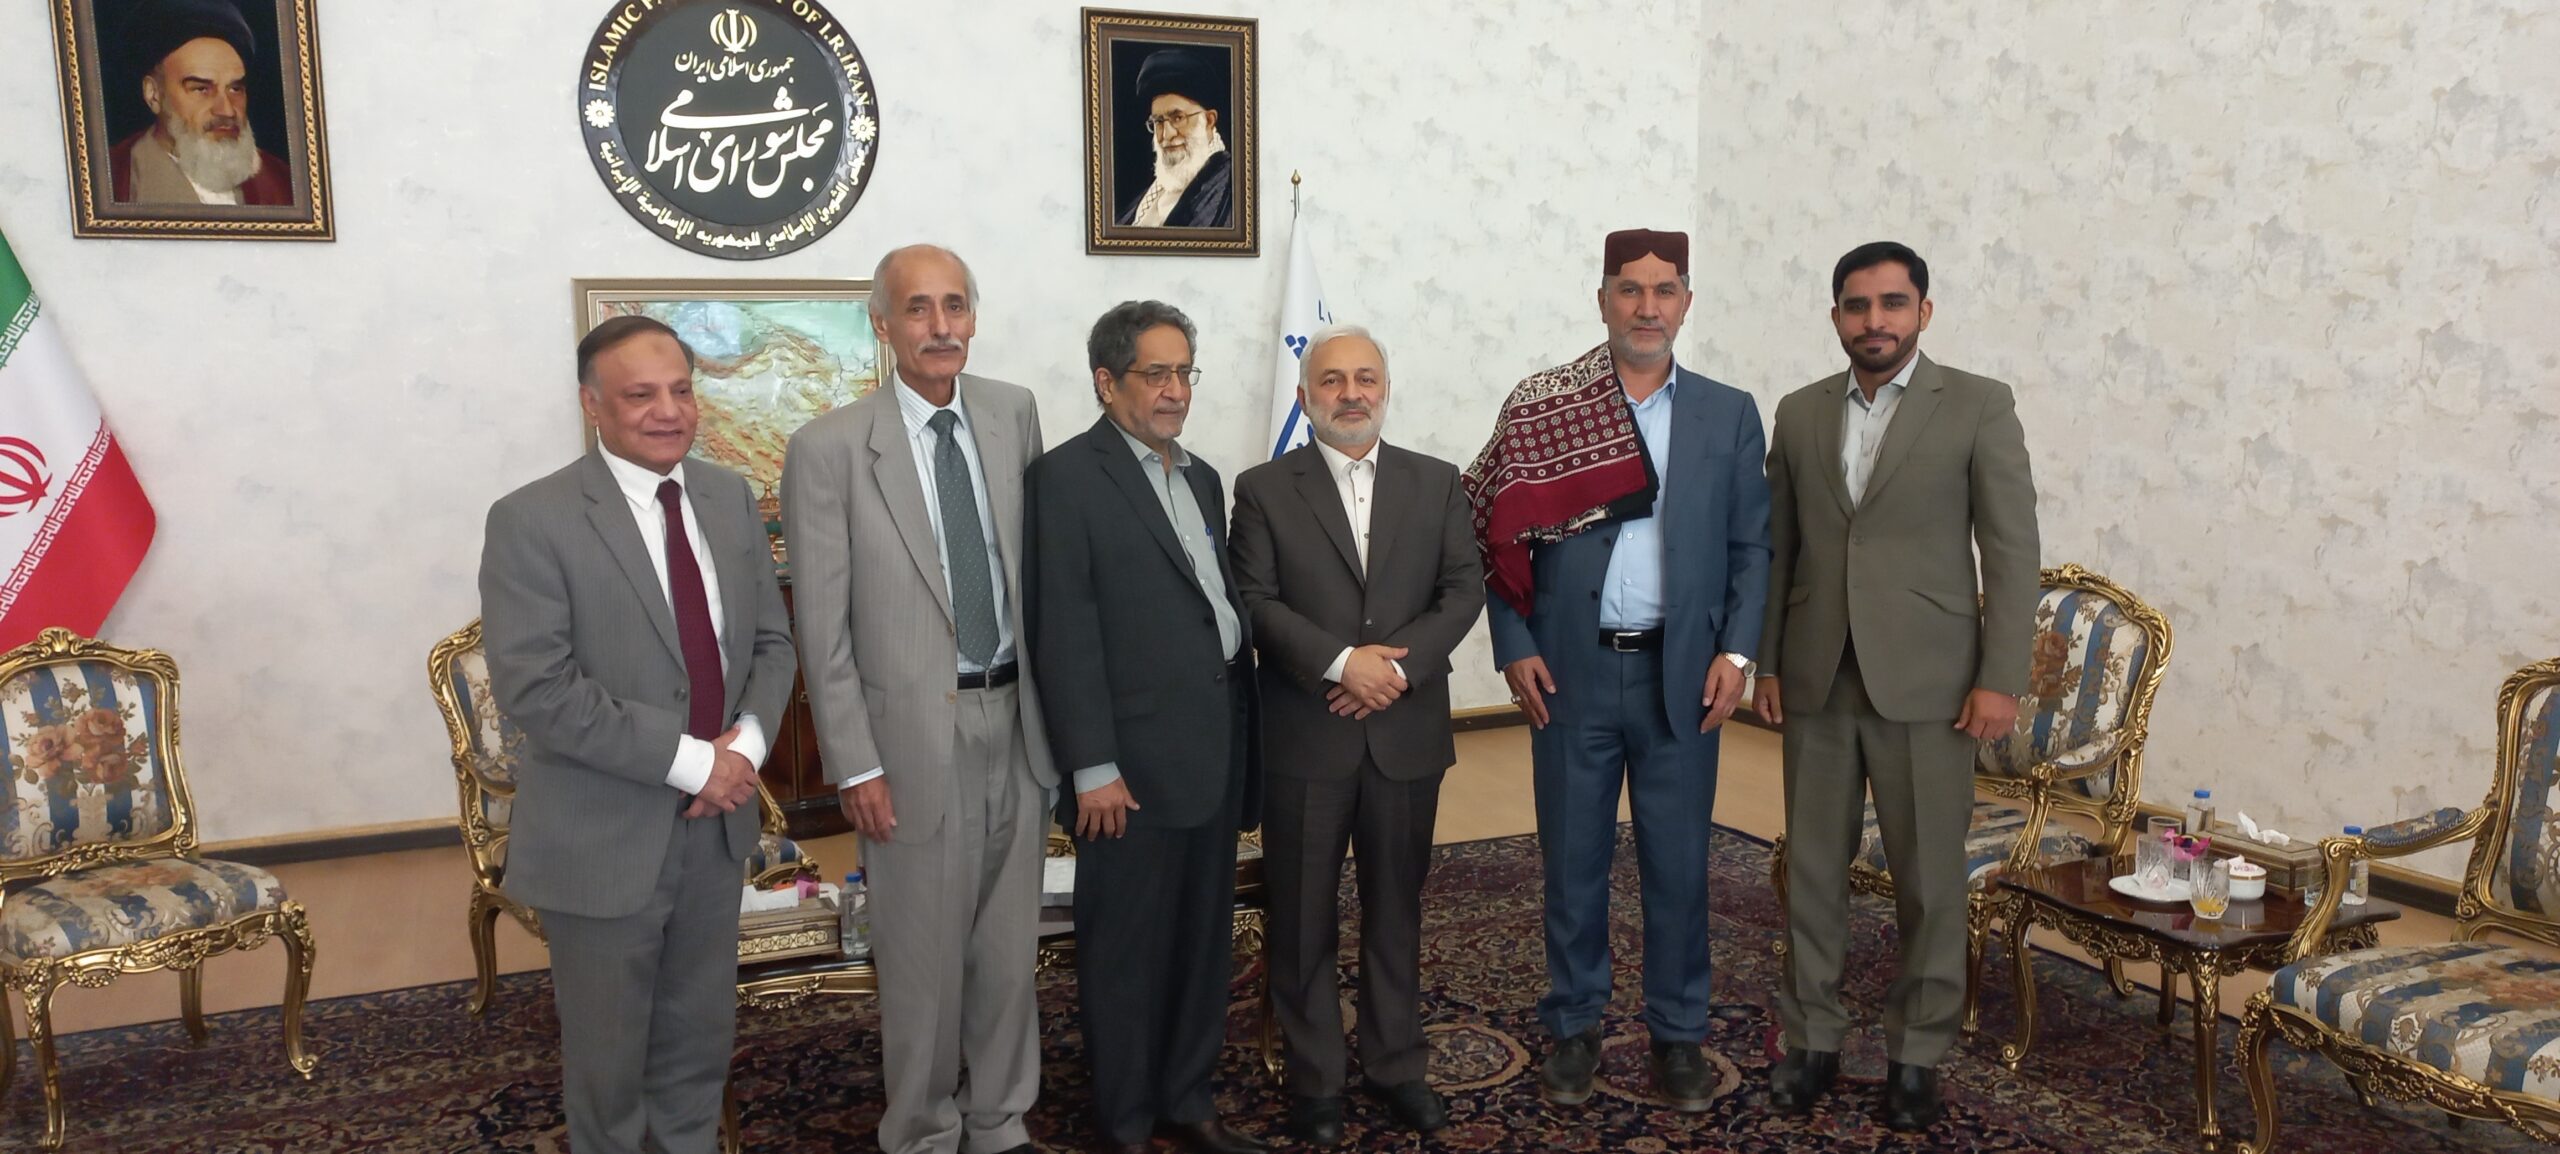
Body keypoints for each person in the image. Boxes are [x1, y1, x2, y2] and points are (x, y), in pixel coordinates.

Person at [1464, 229, 1771, 1112]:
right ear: (1602, 299)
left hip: (1685, 677)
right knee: (1573, 860)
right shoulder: (1545, 406)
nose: (1647, 307)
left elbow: (1753, 545)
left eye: (1664, 289)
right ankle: (1574, 1025)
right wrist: (1514, 642)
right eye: (1630, 290)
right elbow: (1497, 536)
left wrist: (1738, 653)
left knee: (1679, 866)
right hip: (1570, 672)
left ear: (1686, 300)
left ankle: (1678, 1034)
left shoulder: (1728, 412)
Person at [478, 315, 797, 1154]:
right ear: (592, 405)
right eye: (641, 395)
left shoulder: (729, 497)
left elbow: (770, 641)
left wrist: (746, 756)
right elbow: (538, 690)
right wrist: (699, 765)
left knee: (698, 1048)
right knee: (610, 1068)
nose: (669, 412)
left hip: (715, 833)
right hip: (602, 833)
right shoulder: (532, 519)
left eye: (682, 390)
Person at [1758, 241, 2040, 1131]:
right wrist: (1765, 659)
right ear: (1835, 314)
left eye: (1891, 303)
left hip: (1929, 680)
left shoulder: (1979, 405)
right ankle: (1813, 1038)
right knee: (1812, 870)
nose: (1873, 321)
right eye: (1856, 305)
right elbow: (1778, 551)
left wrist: (2001, 677)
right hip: (1817, 674)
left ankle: (1916, 1053)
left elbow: (2010, 550)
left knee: (1928, 881)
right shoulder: (1800, 413)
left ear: (1924, 310)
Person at [780, 244, 1051, 1154]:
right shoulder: (830, 449)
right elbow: (824, 629)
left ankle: (1001, 1120)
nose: (942, 327)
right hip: (906, 741)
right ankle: (924, 1131)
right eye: (920, 310)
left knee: (1010, 952)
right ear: (884, 324)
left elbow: (1040, 578)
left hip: (1017, 720)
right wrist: (855, 761)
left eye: (956, 306)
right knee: (925, 960)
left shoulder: (1015, 415)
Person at [1227, 325, 1484, 1146]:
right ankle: (1315, 1080)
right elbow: (1255, 601)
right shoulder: (1264, 488)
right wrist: (1342, 663)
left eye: (1365, 377)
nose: (1351, 393)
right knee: (1301, 918)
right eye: (1331, 380)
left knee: (1395, 909)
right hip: (1309, 732)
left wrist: (1391, 673)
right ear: (1305, 397)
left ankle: (1396, 1066)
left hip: (1404, 732)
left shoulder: (1437, 481)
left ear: (1385, 388)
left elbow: (1462, 590)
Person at [1026, 301, 1267, 1154]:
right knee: (1125, 954)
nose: (1174, 392)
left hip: (1214, 748)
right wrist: (1090, 764)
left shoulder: (1199, 475)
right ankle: (1125, 1122)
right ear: (1106, 381)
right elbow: (1064, 628)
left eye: (1184, 372)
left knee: (1203, 943)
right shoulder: (1064, 479)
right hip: (1125, 769)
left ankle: (1187, 1101)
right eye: (1154, 374)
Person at [109, 0, 293, 206]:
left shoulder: (282, 181)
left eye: (235, 89)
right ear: (153, 95)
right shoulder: (112, 178)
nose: (227, 110)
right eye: (201, 89)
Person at [1117, 49, 1233, 229]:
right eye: (1158, 122)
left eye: (1178, 118)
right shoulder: (1151, 194)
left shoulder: (1231, 186)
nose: (1166, 135)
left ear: (1209, 121)